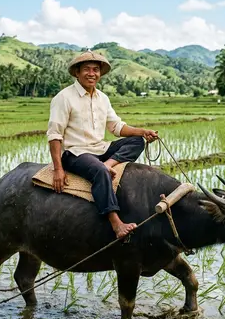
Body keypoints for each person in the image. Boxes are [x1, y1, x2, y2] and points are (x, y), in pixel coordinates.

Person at [46, 51, 158, 239]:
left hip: (100, 149)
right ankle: (116, 223)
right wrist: (58, 169)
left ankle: (108, 165)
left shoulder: (102, 98)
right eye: (87, 70)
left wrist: (142, 132)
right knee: (99, 172)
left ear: (100, 73)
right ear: (77, 73)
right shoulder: (64, 98)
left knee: (136, 141)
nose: (92, 74)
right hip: (75, 153)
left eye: (96, 70)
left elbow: (116, 126)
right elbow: (54, 135)